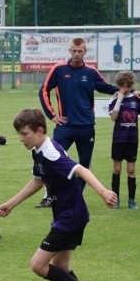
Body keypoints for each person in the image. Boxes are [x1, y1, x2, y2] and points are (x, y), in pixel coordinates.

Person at [0, 108, 118, 281]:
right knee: (61, 268)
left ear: (39, 131)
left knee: (38, 265)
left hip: (70, 216)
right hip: (66, 214)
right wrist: (11, 204)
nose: (20, 139)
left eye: (24, 134)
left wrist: (103, 192)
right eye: (19, 134)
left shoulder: (51, 152)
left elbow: (80, 169)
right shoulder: (38, 150)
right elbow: (38, 181)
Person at [36, 37, 119, 206]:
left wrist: (130, 90)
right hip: (64, 126)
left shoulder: (91, 72)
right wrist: (52, 116)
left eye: (80, 51)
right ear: (69, 51)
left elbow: (108, 88)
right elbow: (44, 91)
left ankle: (76, 198)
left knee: (84, 164)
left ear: (85, 52)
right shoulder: (59, 69)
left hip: (86, 127)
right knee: (51, 161)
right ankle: (49, 196)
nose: (76, 54)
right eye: (74, 51)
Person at [108, 71, 140, 209]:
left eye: (128, 85)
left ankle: (132, 200)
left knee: (131, 169)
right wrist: (119, 99)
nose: (125, 88)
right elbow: (113, 117)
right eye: (122, 85)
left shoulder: (136, 99)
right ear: (118, 85)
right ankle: (115, 200)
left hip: (132, 140)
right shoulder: (114, 98)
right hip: (118, 139)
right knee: (117, 169)